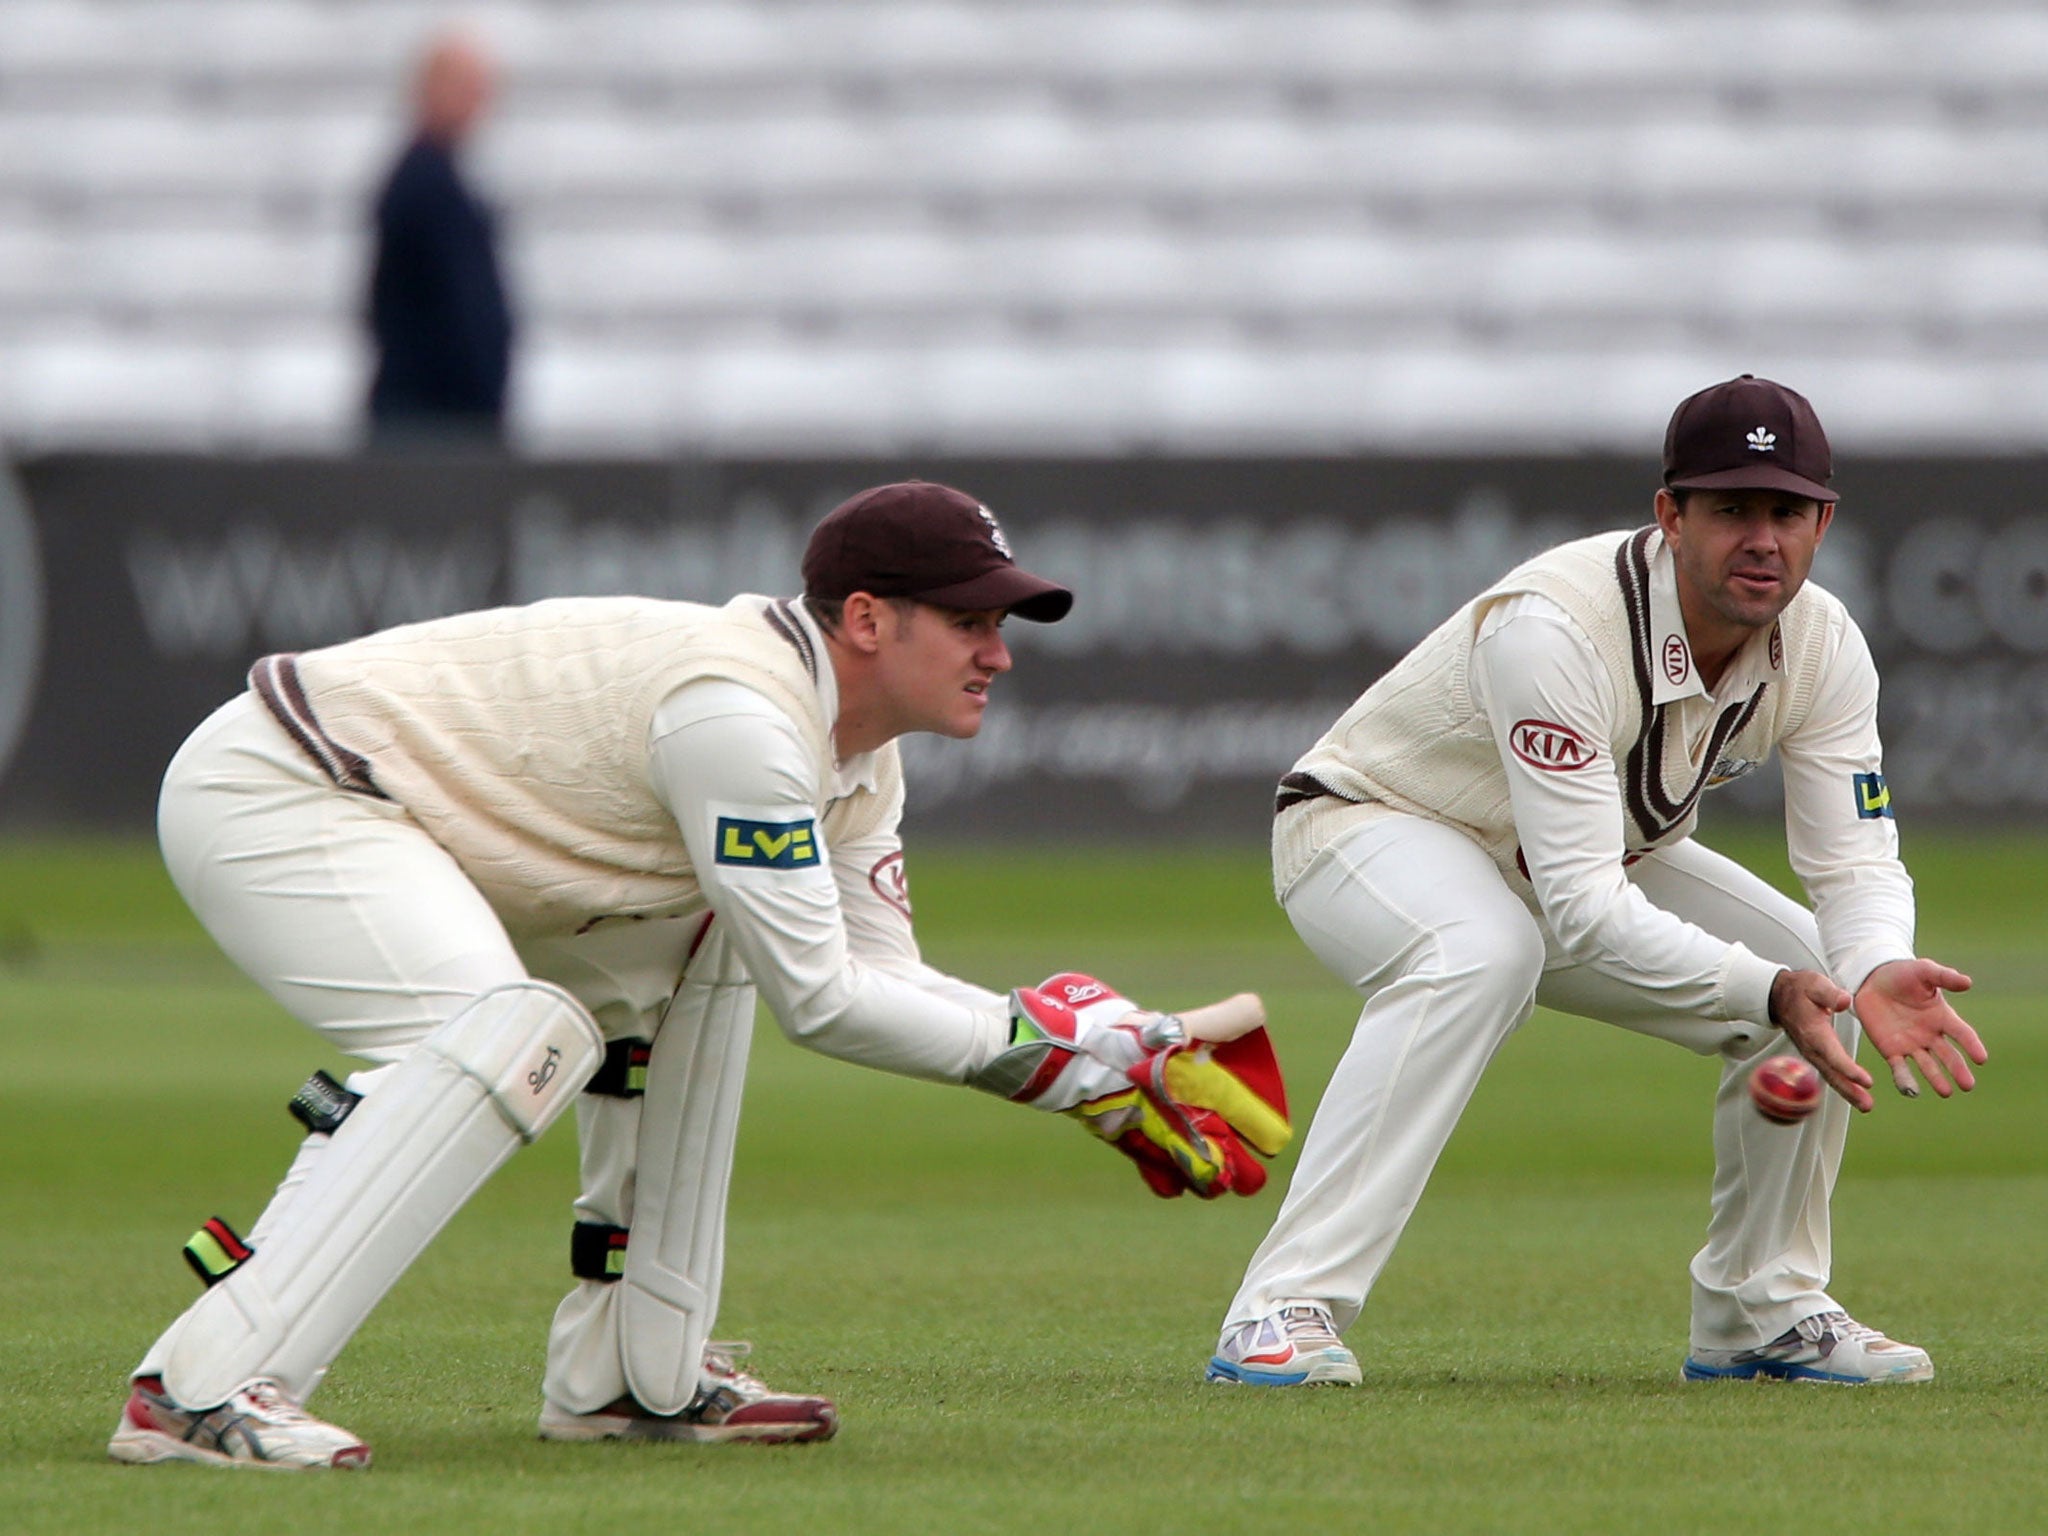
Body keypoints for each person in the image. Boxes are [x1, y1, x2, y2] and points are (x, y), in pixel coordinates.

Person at [107, 481, 1291, 1470]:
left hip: (452, 829)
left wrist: (1089, 1048)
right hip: (291, 788)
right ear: (869, 620)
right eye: (972, 621)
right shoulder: (740, 716)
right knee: (508, 1037)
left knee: (711, 950)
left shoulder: (857, 759)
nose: (999, 653)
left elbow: (869, 971)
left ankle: (633, 1373)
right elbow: (822, 1007)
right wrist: (1047, 1068)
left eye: (1005, 622)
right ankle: (202, 1387)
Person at [1206, 375, 1988, 1390]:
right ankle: (1276, 1312)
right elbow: (1579, 907)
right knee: (1480, 953)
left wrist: (1874, 960)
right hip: (1369, 828)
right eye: (1730, 510)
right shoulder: (1557, 627)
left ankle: (1760, 1311)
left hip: (1582, 855)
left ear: (1821, 522)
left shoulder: (1824, 642)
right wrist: (1762, 990)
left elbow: (1851, 855)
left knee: (1823, 974)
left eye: (1785, 512)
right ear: (1669, 516)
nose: (1761, 539)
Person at [364, 31, 515, 444]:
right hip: (433, 419)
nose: (479, 104)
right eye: (467, 88)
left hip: (439, 413)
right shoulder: (425, 184)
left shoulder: (438, 178)